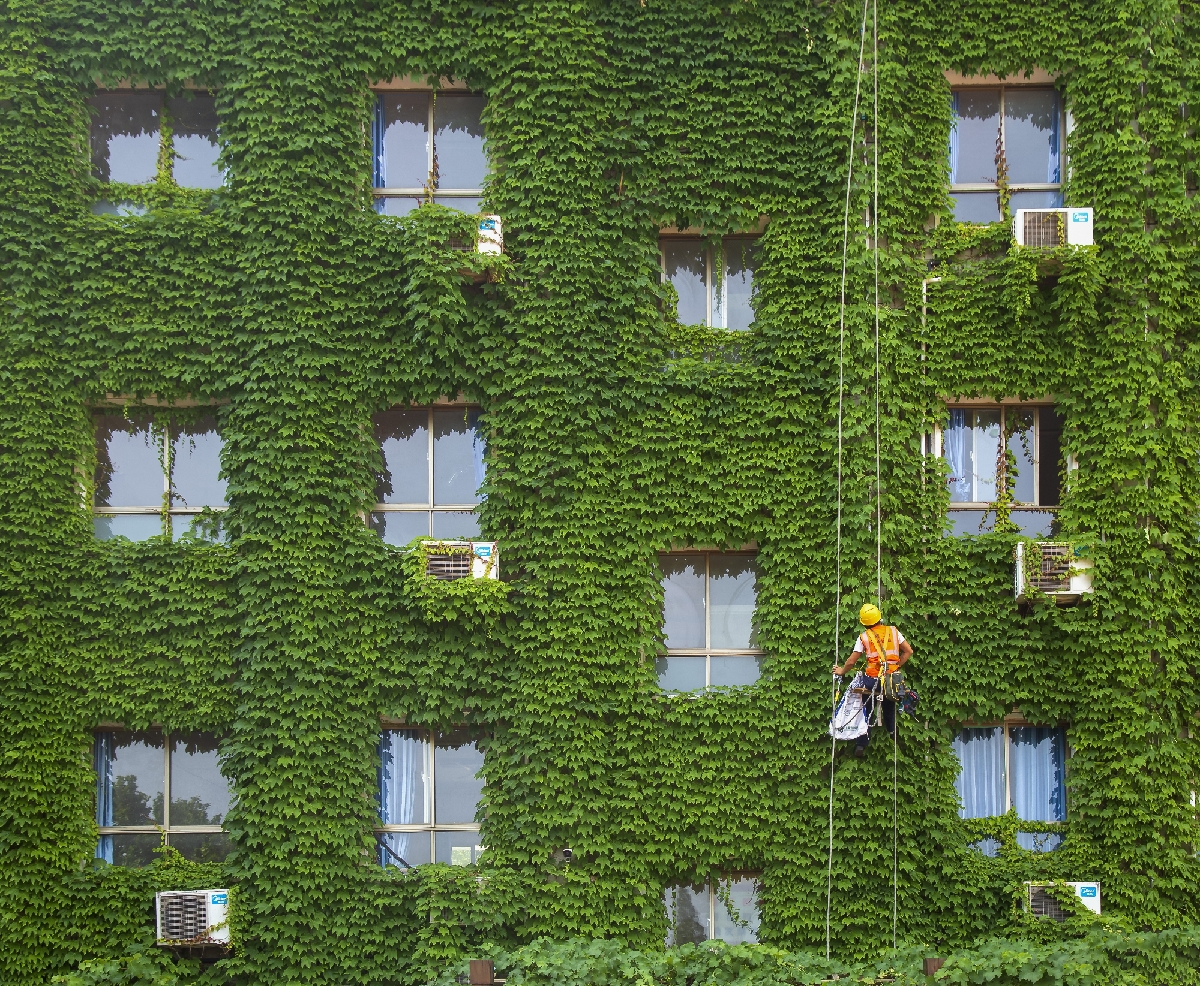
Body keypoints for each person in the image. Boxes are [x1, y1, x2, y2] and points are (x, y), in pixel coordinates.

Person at [833, 603, 912, 757]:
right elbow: (908, 651)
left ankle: (861, 745)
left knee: (867, 709)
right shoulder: (894, 631)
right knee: (889, 702)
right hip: (891, 680)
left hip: (872, 680)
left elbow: (851, 662)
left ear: (864, 622)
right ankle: (892, 733)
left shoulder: (864, 637)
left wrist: (841, 671)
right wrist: (895, 667)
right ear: (879, 617)